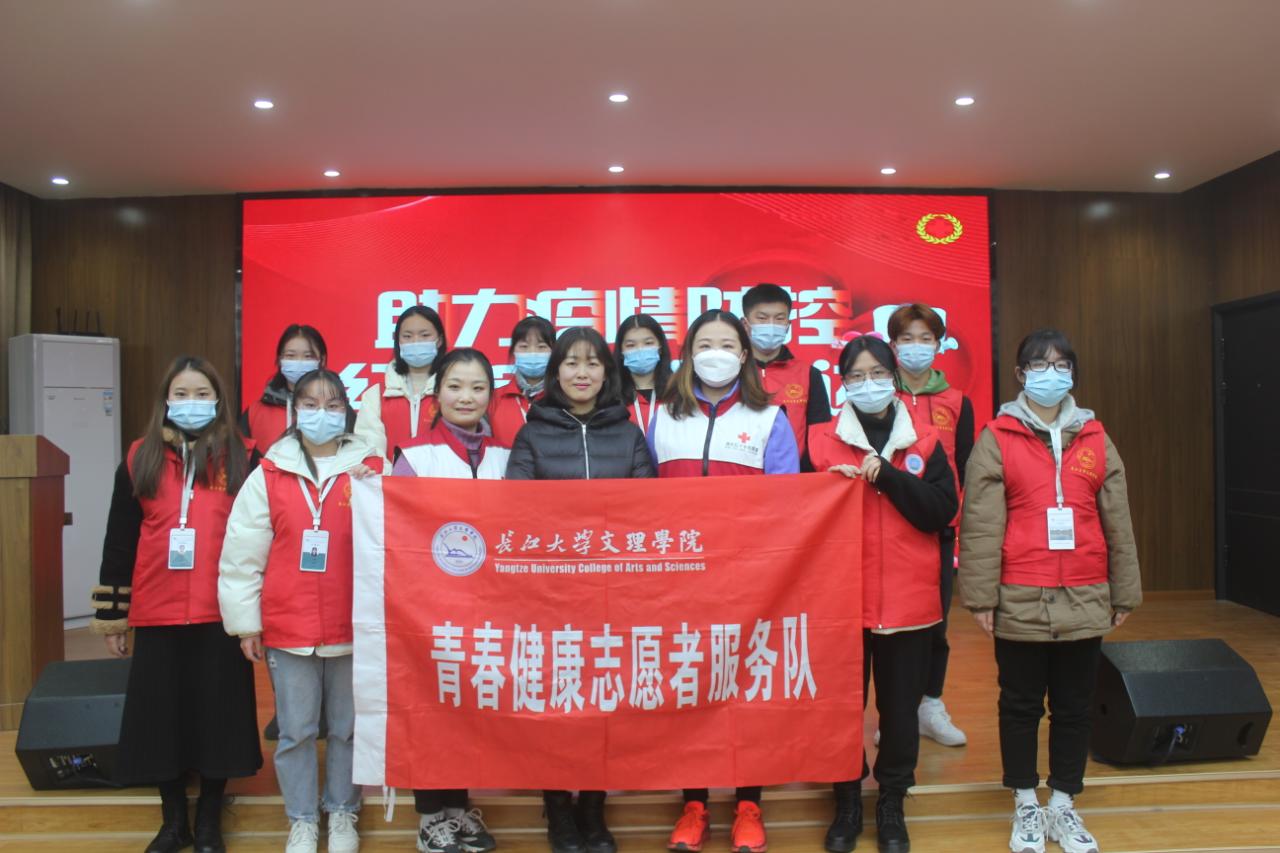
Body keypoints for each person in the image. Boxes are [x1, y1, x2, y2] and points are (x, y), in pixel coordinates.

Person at [959, 329, 1140, 853]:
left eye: (1061, 365)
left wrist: (1124, 591)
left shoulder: (1096, 437)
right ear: (1021, 374)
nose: (1051, 374)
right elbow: (981, 523)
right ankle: (1025, 803)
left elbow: (1118, 520)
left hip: (1085, 590)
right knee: (1019, 705)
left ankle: (1062, 803)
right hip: (1020, 590)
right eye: (1039, 365)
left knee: (1075, 706)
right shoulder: (997, 437)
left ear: (1073, 374)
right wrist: (981, 597)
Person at [92, 356, 261, 853]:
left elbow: (259, 539)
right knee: (160, 718)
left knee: (217, 718)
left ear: (219, 400)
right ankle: (173, 823)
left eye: (202, 394)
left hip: (220, 611)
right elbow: (119, 540)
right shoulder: (139, 456)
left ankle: (208, 821)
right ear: (165, 400)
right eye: (181, 394)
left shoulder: (244, 456)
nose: (192, 403)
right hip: (157, 608)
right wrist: (113, 617)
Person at [650, 309, 800, 853]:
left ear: (744, 355)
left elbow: (787, 505)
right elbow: (643, 497)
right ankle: (693, 804)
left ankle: (747, 804)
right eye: (704, 344)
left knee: (747, 691)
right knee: (689, 688)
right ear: (689, 355)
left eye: (727, 344)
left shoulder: (769, 418)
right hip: (680, 579)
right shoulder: (662, 416)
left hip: (750, 581)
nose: (716, 354)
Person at [219, 369, 383, 853]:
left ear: (346, 412)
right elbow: (243, 554)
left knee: (348, 730)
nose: (321, 414)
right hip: (288, 625)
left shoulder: (370, 468)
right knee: (295, 732)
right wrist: (246, 623)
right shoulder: (269, 472)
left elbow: (395, 540)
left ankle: (343, 810)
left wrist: (378, 487)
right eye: (310, 404)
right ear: (294, 411)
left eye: (332, 405)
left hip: (355, 623)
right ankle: (303, 818)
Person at [505, 327, 654, 853]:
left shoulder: (629, 434)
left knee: (604, 702)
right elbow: (515, 513)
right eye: (571, 362)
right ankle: (557, 806)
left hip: (615, 593)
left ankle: (593, 805)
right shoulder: (532, 434)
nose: (582, 373)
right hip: (550, 595)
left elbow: (647, 513)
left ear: (607, 373)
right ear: (556, 372)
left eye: (593, 363)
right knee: (554, 700)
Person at [808, 336, 957, 853]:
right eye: (856, 375)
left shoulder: (926, 441)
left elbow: (940, 512)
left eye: (877, 374)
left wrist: (888, 476)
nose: (867, 384)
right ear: (842, 383)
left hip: (909, 603)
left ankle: (892, 801)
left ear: (893, 378)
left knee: (899, 711)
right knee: (840, 709)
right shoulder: (819, 441)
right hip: (839, 600)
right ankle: (847, 799)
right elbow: (795, 516)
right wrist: (827, 487)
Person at [390, 348, 506, 853]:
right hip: (428, 608)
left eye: (478, 387)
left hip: (491, 607)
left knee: (469, 712)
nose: (466, 397)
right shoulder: (414, 457)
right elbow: (397, 535)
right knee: (430, 711)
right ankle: (430, 817)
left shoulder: (506, 457)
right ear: (437, 393)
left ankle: (458, 809)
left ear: (490, 396)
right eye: (455, 386)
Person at [888, 303, 975, 748]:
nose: (916, 347)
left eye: (925, 339)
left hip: (938, 528)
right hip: (888, 528)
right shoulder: (879, 394)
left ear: (939, 345)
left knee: (937, 621)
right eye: (907, 339)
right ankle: (895, 713)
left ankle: (930, 704)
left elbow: (965, 466)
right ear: (893, 345)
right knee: (892, 627)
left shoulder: (956, 401)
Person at [740, 283, 832, 467]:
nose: (771, 325)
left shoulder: (809, 374)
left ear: (788, 325)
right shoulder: (732, 371)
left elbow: (819, 435)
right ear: (745, 324)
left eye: (779, 318)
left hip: (793, 475)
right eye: (762, 318)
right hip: (740, 473)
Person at [356, 305, 447, 459]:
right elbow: (370, 448)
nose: (416, 342)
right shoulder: (377, 394)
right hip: (391, 474)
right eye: (407, 336)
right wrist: (393, 473)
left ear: (439, 340)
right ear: (398, 341)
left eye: (425, 335)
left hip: (443, 475)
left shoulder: (453, 390)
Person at [241, 324, 328, 449]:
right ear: (280, 359)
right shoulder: (256, 413)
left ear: (322, 360)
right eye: (290, 356)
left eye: (308, 356)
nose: (299, 362)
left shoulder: (337, 411)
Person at [489, 315, 556, 446]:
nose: (532, 353)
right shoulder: (494, 399)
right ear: (513, 351)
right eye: (524, 346)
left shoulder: (563, 398)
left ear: (554, 352)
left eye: (541, 347)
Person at [614, 313, 673, 436]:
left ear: (660, 348)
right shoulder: (611, 398)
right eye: (631, 345)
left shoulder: (677, 394)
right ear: (621, 352)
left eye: (648, 343)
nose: (640, 350)